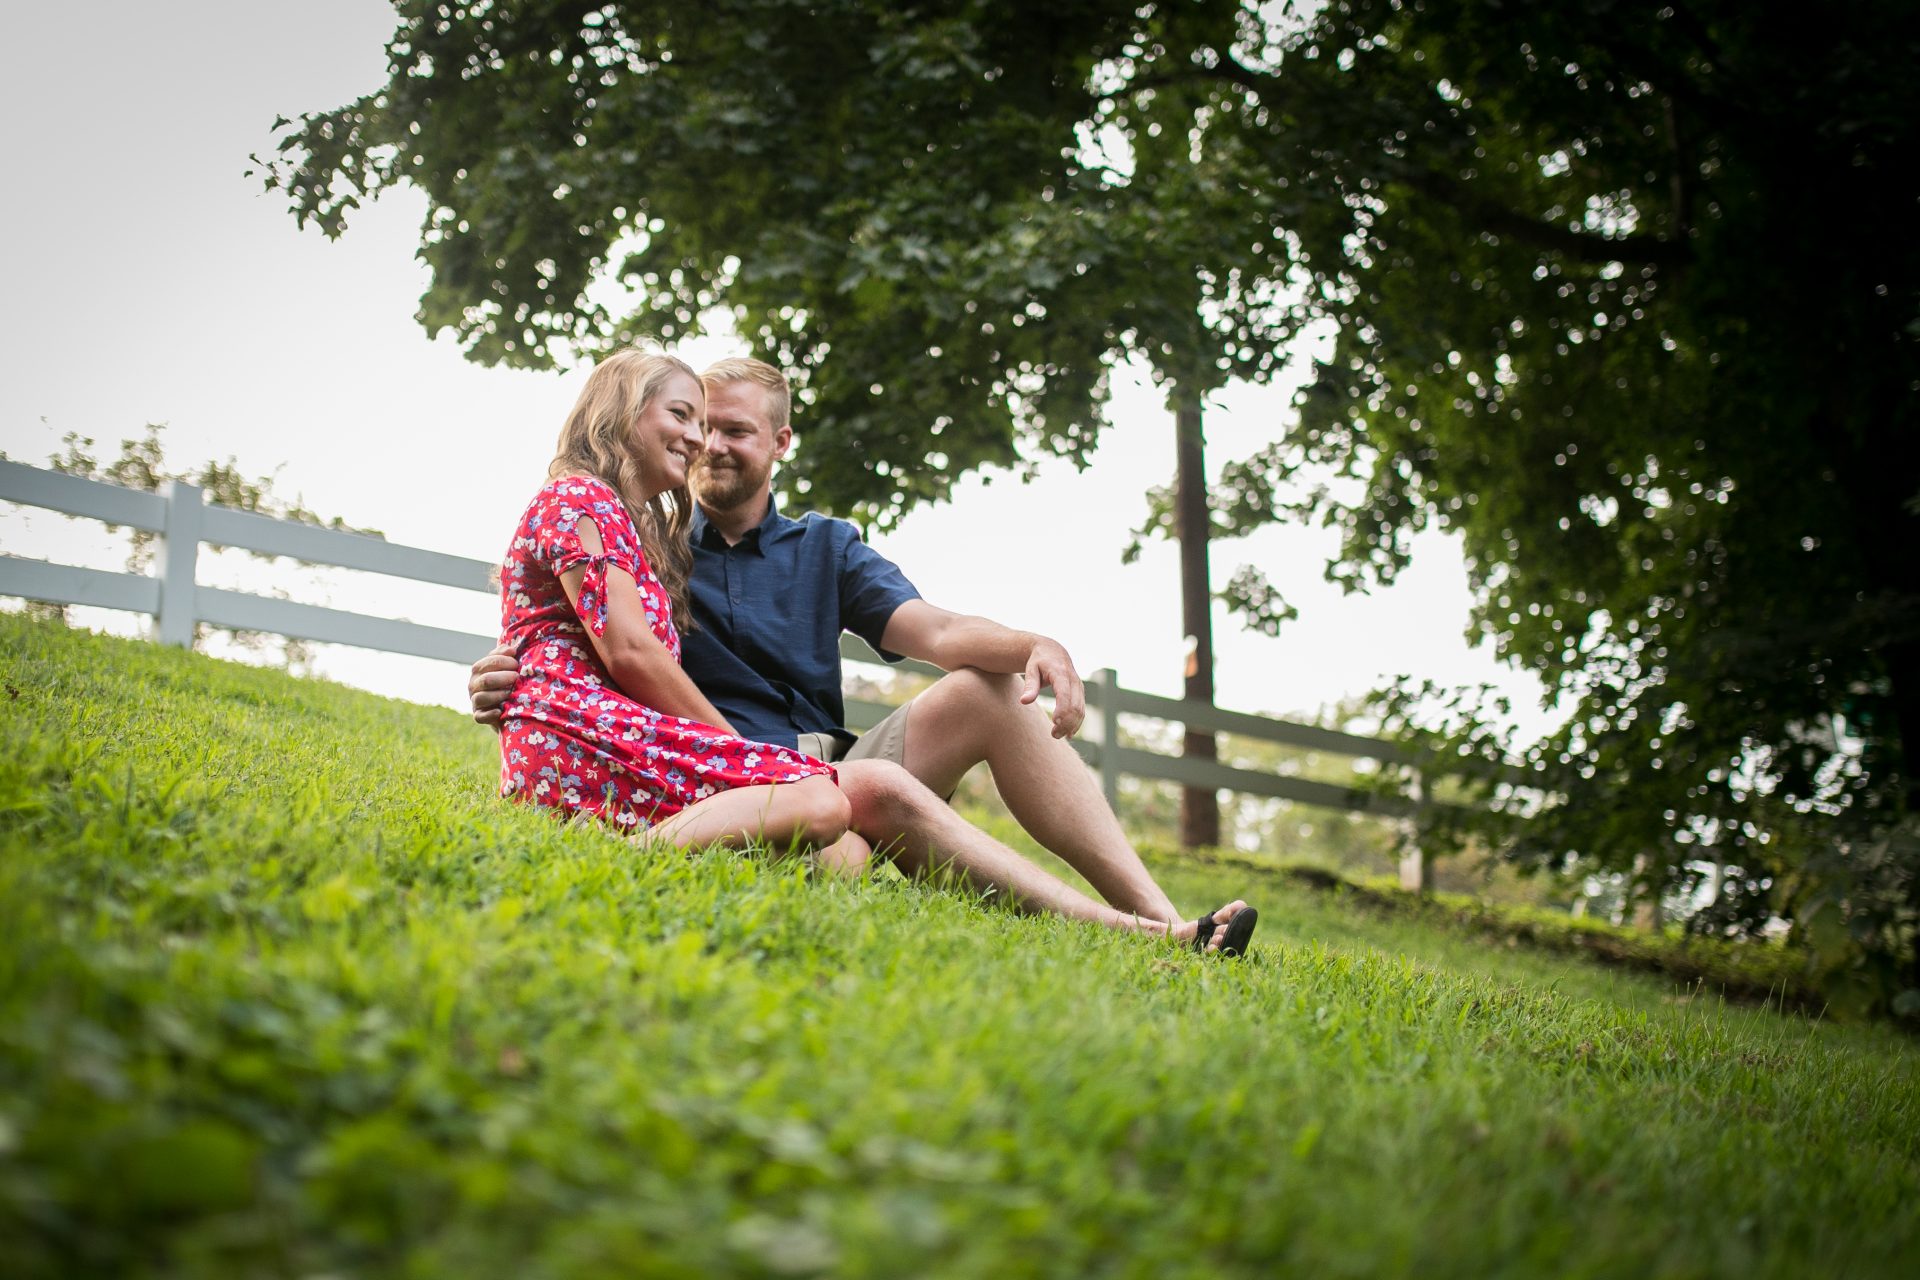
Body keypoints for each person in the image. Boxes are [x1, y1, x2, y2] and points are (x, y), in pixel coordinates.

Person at [478, 353, 1257, 955]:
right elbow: (587, 634)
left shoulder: (826, 546)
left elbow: (939, 633)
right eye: (699, 425)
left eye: (734, 430)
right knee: (841, 855)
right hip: (717, 771)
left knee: (989, 689)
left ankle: (1172, 923)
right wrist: (501, 672)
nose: (709, 444)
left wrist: (1034, 644)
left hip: (833, 762)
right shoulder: (648, 537)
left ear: (780, 443)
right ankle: (1135, 933)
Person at [495, 348, 856, 858]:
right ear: (623, 409)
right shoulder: (580, 497)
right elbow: (630, 652)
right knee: (821, 802)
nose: (698, 438)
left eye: (700, 423)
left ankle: (653, 845)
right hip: (572, 738)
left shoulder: (622, 519)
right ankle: (631, 858)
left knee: (846, 855)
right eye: (681, 415)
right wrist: (738, 754)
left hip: (603, 734)